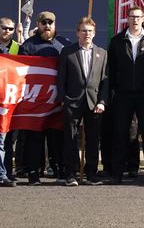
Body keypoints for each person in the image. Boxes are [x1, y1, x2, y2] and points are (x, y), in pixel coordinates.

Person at [108, 6, 144, 185]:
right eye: (132, 17)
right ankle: (117, 174)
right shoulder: (117, 41)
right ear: (127, 19)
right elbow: (111, 69)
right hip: (123, 94)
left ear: (143, 19)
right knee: (120, 134)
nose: (135, 20)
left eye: (138, 17)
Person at [19, 11, 71, 186]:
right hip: (36, 101)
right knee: (35, 138)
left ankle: (62, 172)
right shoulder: (28, 46)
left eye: (50, 22)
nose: (47, 25)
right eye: (44, 22)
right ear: (38, 24)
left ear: (55, 24)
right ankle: (34, 173)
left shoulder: (65, 44)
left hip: (58, 99)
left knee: (59, 137)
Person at [57, 17, 109, 186]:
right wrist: (63, 99)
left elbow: (105, 81)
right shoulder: (68, 52)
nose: (87, 34)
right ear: (77, 33)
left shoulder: (102, 53)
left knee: (93, 140)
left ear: (94, 34)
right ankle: (70, 174)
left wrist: (102, 101)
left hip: (94, 103)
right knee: (70, 139)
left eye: (90, 31)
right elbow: (61, 78)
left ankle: (91, 173)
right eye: (84, 31)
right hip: (72, 102)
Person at [0, 17, 19, 187]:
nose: (7, 31)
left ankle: (6, 171)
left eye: (10, 28)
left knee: (8, 139)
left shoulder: (18, 48)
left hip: (10, 100)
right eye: (4, 27)